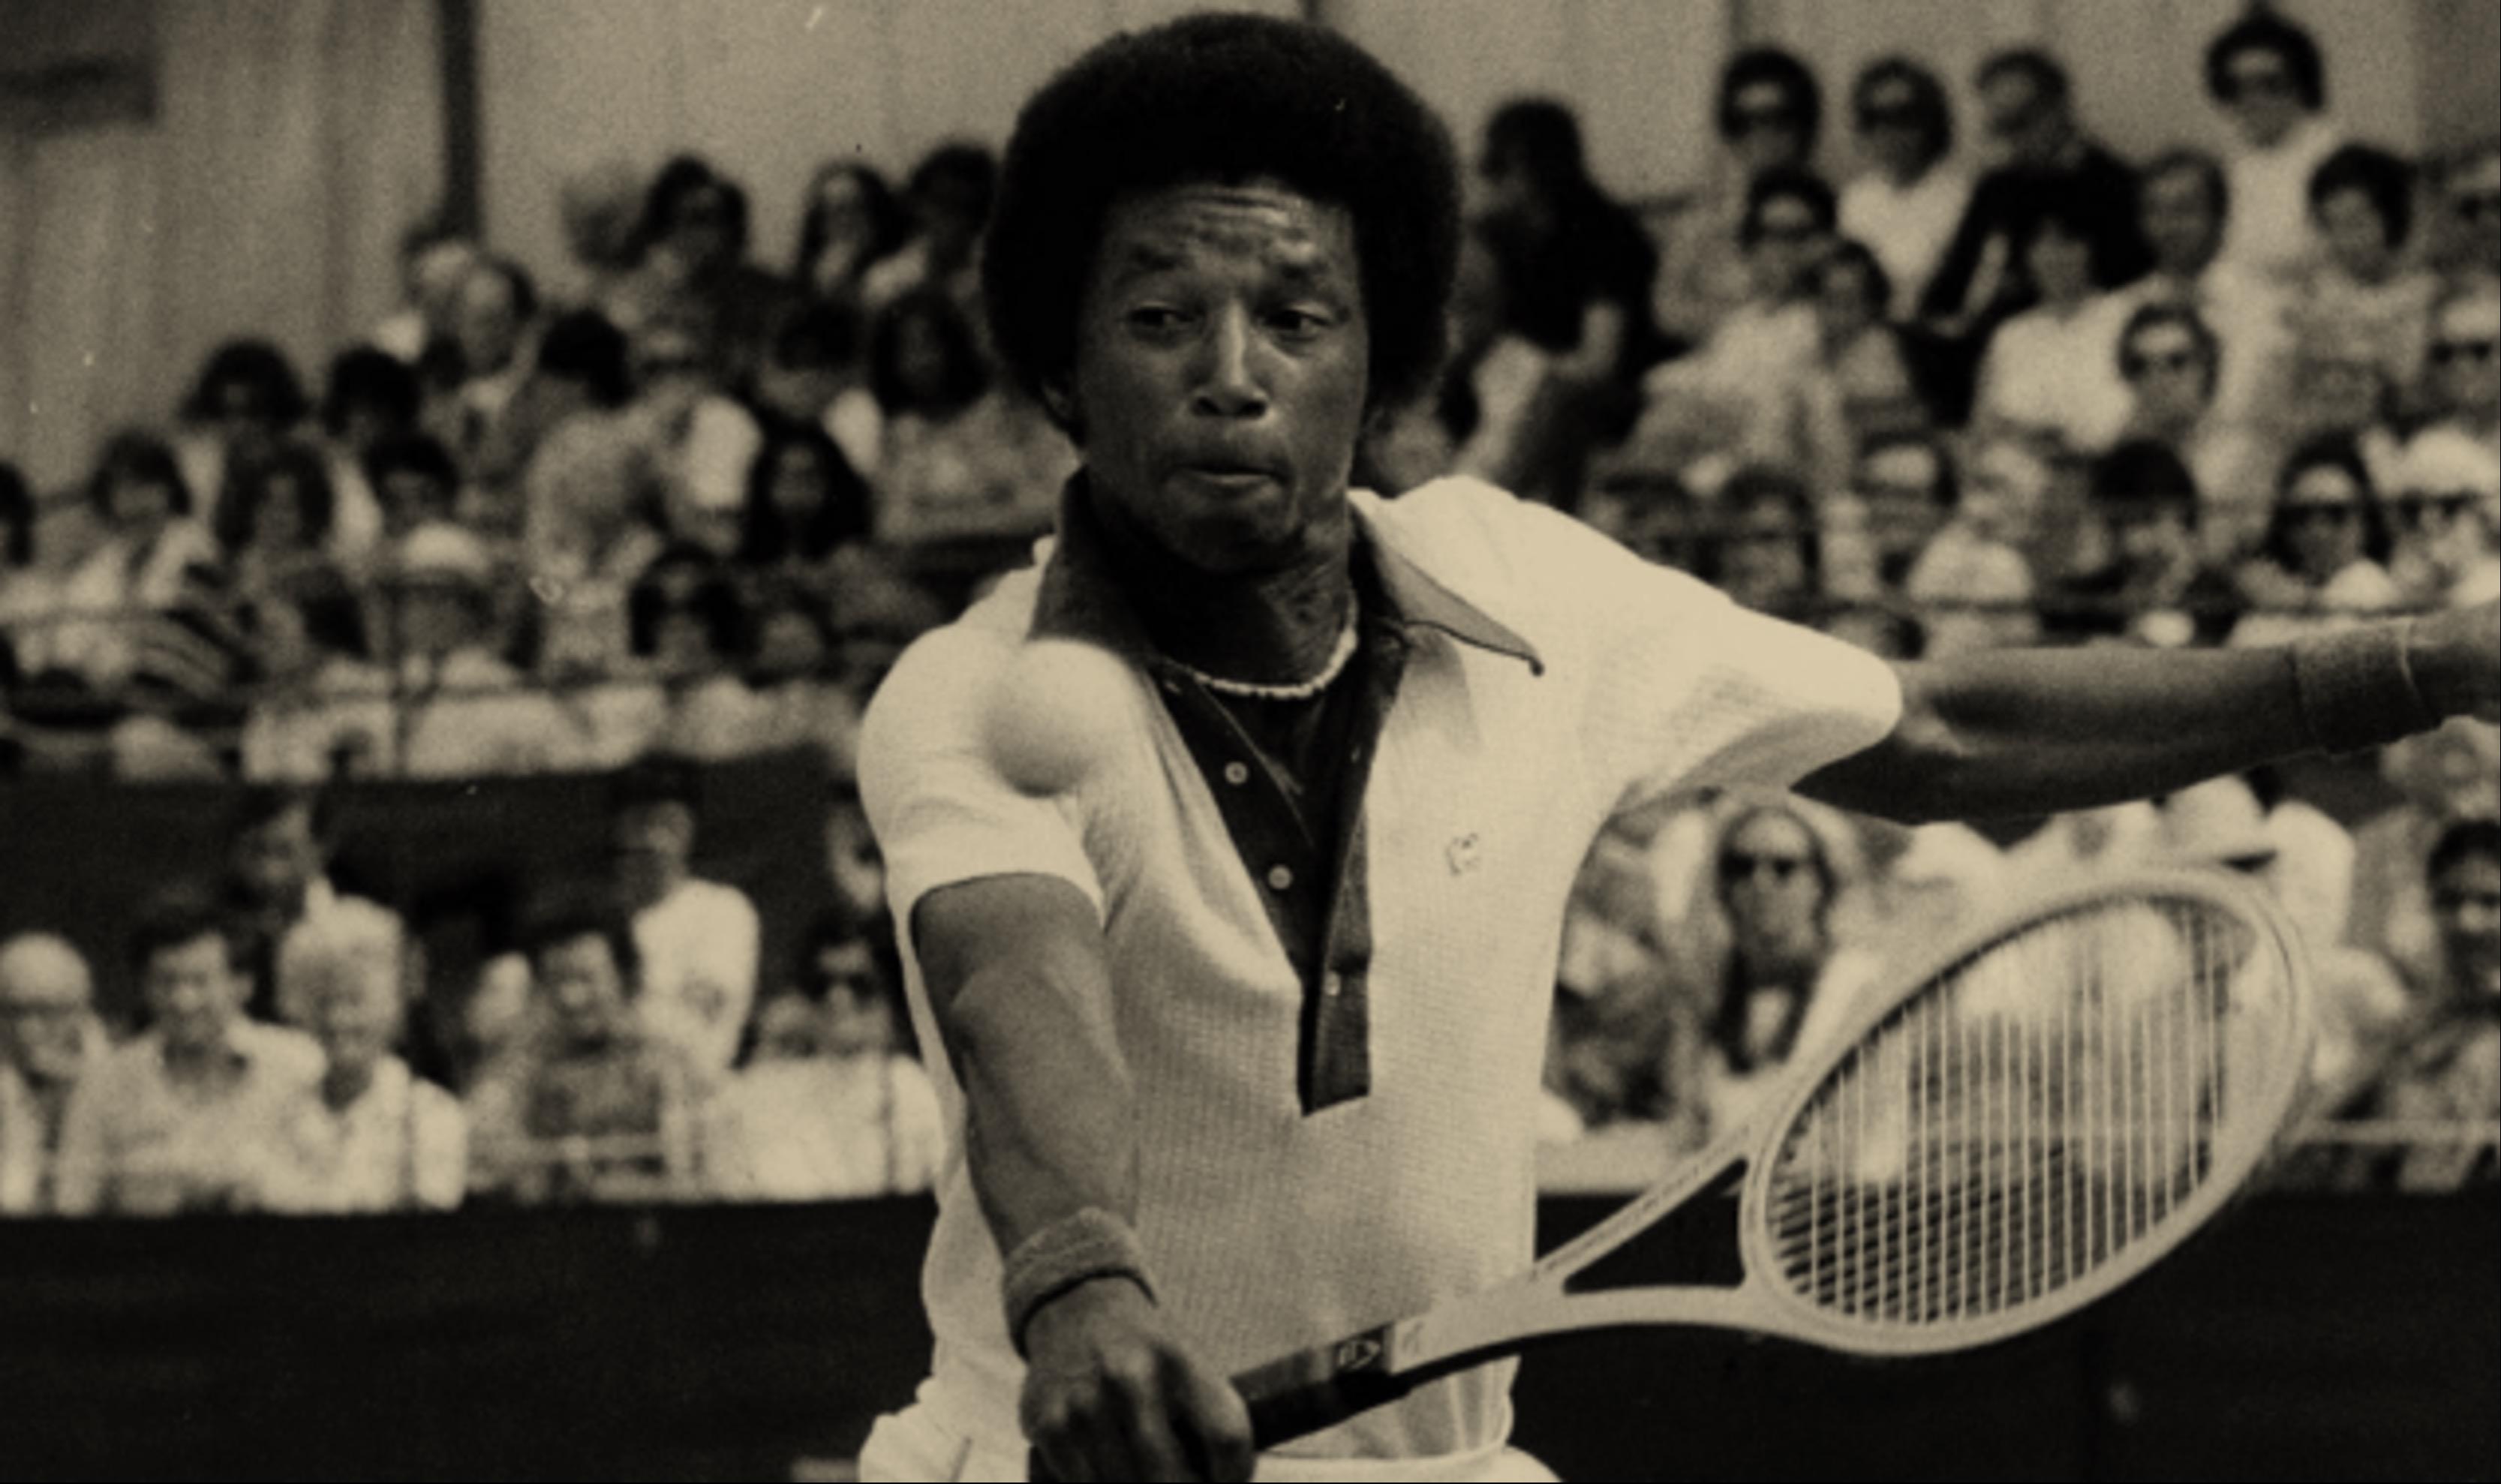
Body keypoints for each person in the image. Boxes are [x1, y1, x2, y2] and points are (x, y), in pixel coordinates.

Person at [855, 16, 2500, 1483]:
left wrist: (2408, 664)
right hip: (1038, 1457)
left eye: (1296, 317)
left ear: (1383, 359)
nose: (1231, 376)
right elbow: (1016, 987)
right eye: (1159, 316)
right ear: (1061, 365)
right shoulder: (967, 693)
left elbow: (1939, 727)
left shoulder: (1529, 592)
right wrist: (1080, 1284)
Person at [53, 889, 324, 1216]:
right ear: (143, 986)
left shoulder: (299, 1066)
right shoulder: (104, 1084)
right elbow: (73, 1204)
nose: (183, 1001)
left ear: (242, 984)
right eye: (165, 982)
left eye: (200, 981)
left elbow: (329, 1191)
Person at [464, 891, 711, 1204]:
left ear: (624, 977)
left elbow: (691, 1185)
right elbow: (488, 1171)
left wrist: (598, 1186)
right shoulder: (523, 1066)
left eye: (587, 979)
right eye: (556, 980)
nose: (571, 997)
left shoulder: (666, 1061)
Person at [708, 916, 943, 1201]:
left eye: (858, 984)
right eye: (820, 984)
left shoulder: (914, 1091)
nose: (838, 998)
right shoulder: (761, 1093)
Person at [252, 900, 465, 1213]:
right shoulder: (277, 1114)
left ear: (392, 1005)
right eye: (324, 1002)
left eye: (355, 1001)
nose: (338, 1020)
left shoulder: (429, 1115)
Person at [610, 754, 760, 1076]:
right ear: (619, 829)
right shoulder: (600, 918)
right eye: (639, 823)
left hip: (697, 1085)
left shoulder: (722, 910)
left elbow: (701, 1017)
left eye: (668, 823)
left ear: (690, 828)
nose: (652, 838)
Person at [2207, 8, 2343, 286]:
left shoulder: (2334, 159)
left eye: (2270, 84)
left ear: (2303, 85)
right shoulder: (2228, 160)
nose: (2252, 99)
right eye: (2236, 87)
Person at [2231, 435, 2403, 649]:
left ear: (2366, 521)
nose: (2318, 531)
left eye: (2335, 514)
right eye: (2302, 516)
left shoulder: (2374, 589)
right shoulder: (2272, 599)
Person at [1839, 56, 1970, 321]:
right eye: (1876, 118)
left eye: (1904, 116)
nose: (1890, 131)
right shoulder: (1856, 199)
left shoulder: (1961, 197)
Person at [0, 934, 104, 1215]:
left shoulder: (121, 1078)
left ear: (80, 1009)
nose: (27, 1029)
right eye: (13, 1011)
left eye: (46, 1011)